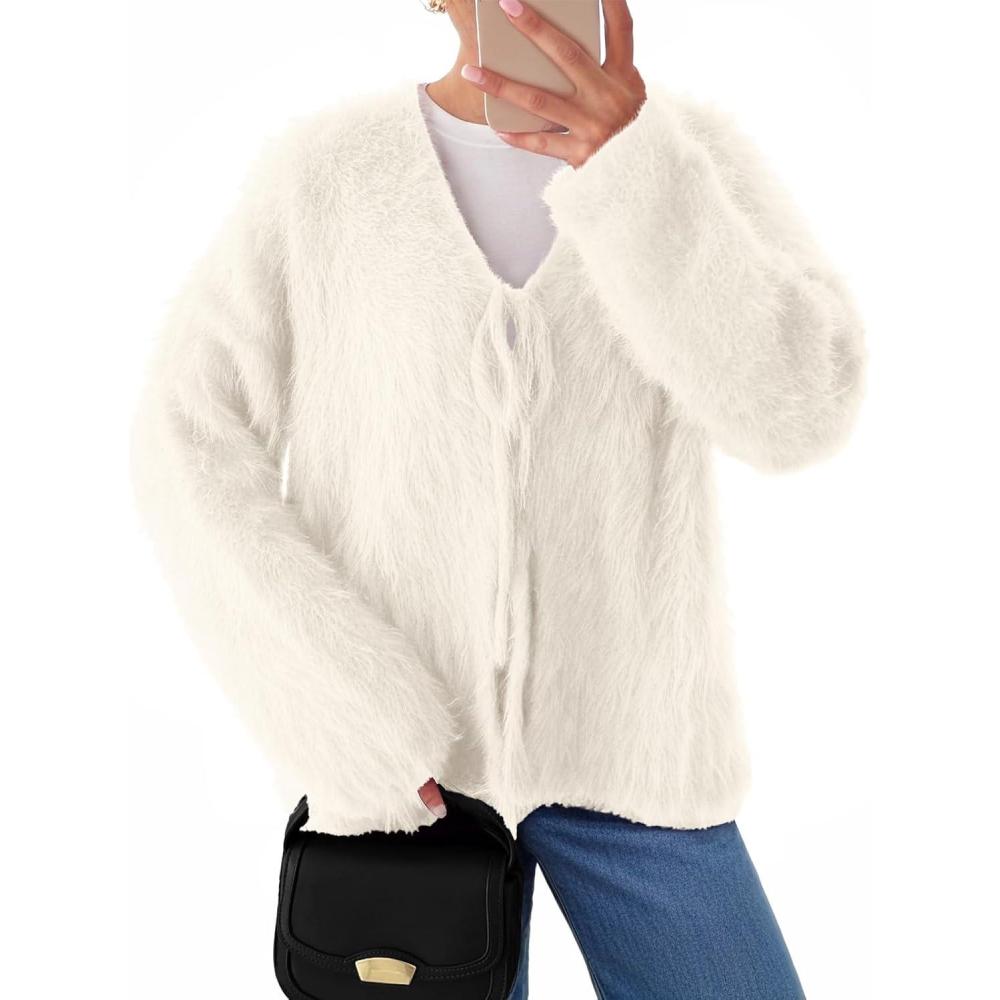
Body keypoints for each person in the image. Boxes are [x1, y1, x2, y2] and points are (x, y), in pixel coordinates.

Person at [130, 1, 866, 996]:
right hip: (408, 788)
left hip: (636, 756)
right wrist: (350, 719)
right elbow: (187, 440)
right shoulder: (325, 177)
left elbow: (799, 414)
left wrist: (634, 171)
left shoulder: (692, 161)